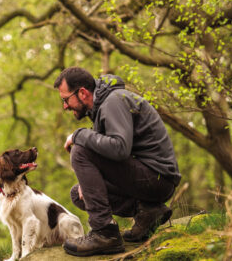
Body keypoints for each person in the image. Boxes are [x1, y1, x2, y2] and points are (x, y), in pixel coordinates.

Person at [54, 67, 181, 257]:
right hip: (147, 178)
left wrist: (79, 134)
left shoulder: (114, 102)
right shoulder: (104, 106)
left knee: (80, 150)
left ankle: (105, 233)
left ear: (82, 92)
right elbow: (108, 155)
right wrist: (88, 184)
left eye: (66, 99)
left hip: (157, 178)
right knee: (78, 194)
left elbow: (119, 148)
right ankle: (148, 212)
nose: (65, 106)